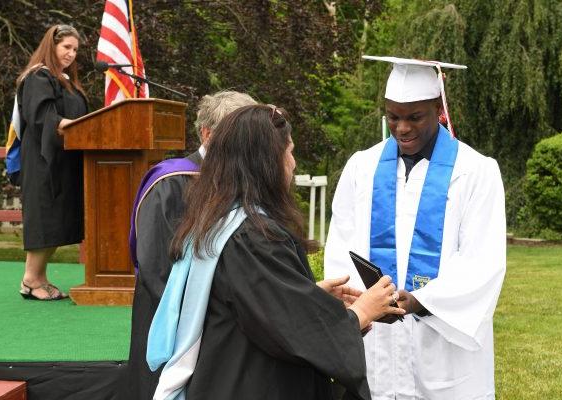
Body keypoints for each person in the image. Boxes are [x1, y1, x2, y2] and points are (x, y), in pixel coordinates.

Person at [145, 104, 404, 400]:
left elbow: (252, 303)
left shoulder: (218, 222)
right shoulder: (253, 237)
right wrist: (362, 311)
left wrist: (307, 296)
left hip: (221, 373)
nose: (293, 163)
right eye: (289, 151)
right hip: (250, 384)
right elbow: (289, 328)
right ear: (266, 162)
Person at [324, 56, 507, 399]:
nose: (402, 128)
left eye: (414, 117)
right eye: (393, 117)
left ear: (438, 108)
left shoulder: (475, 172)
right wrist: (359, 306)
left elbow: (482, 261)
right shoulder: (361, 168)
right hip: (377, 340)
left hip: (442, 345)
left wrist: (421, 301)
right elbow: (341, 247)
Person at [126, 91, 258, 399]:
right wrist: (214, 314)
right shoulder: (171, 184)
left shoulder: (242, 185)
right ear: (208, 134)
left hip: (220, 331)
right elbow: (158, 272)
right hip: (173, 326)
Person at [16, 24, 88, 301]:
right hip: (43, 161)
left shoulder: (65, 80)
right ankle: (31, 279)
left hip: (63, 161)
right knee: (46, 219)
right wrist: (73, 125)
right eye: (66, 47)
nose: (71, 53)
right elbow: (43, 118)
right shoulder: (38, 78)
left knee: (57, 220)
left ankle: (39, 278)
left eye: (75, 49)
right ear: (52, 46)